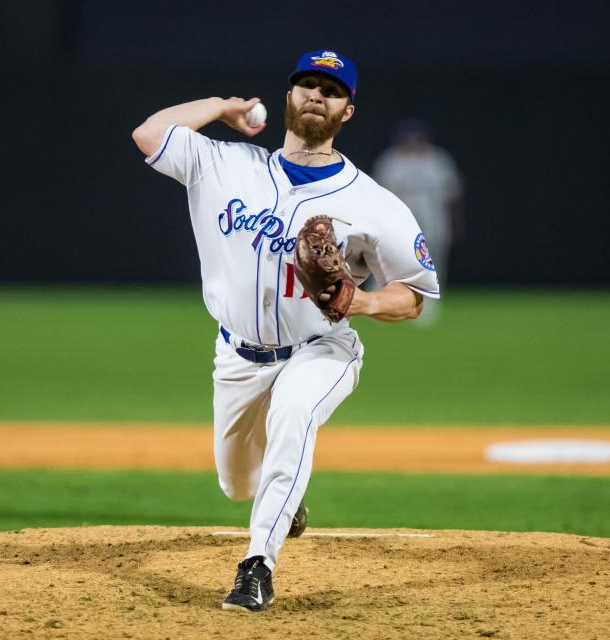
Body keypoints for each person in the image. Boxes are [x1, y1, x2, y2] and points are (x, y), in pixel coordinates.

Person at [131, 50, 439, 612]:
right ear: (288, 97)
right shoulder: (223, 164)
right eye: (306, 85)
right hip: (236, 356)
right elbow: (150, 133)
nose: (317, 95)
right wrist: (224, 107)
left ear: (347, 111)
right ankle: (284, 497)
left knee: (293, 415)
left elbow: (415, 295)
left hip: (321, 347)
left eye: (331, 90)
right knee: (236, 484)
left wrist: (364, 300)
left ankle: (257, 568)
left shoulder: (375, 204)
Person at [373, 118, 464, 323]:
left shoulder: (439, 160)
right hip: (398, 216)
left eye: (417, 139)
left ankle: (428, 303)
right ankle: (383, 300)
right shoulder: (391, 160)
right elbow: (379, 195)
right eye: (408, 139)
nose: (413, 143)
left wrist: (455, 221)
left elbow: (452, 193)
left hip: (433, 216)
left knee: (433, 258)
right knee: (388, 257)